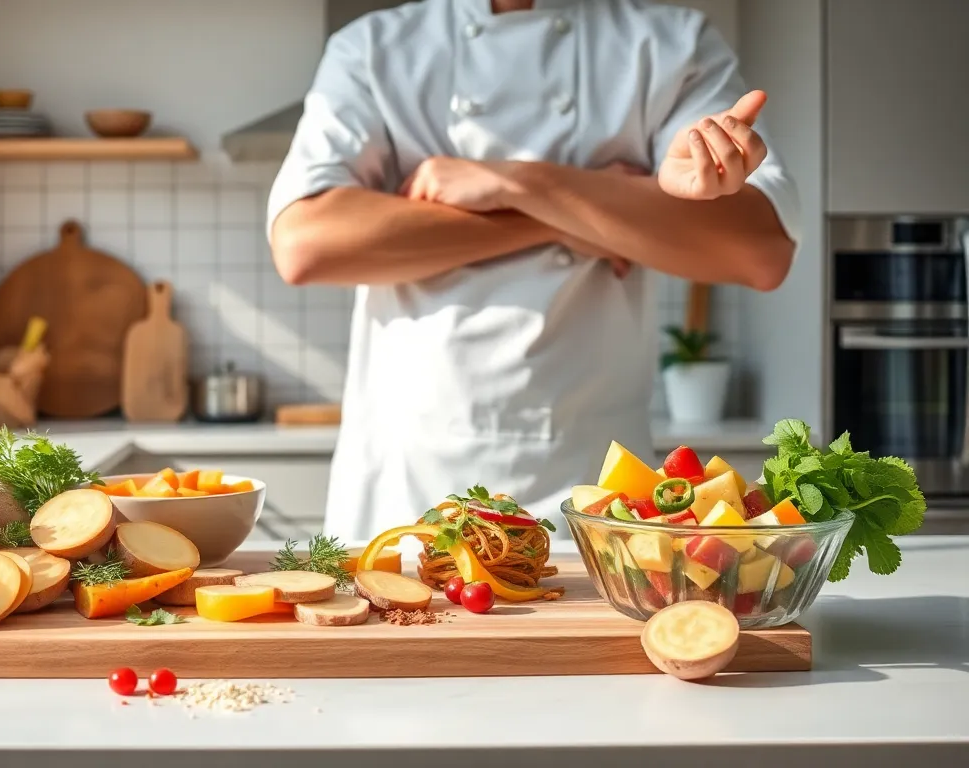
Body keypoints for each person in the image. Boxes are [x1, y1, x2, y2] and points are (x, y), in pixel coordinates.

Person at [266, 0, 801, 540]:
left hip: (593, 486)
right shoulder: (374, 49)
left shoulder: (666, 45)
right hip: (409, 485)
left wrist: (519, 182)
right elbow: (306, 244)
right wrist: (569, 216)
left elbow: (759, 253)